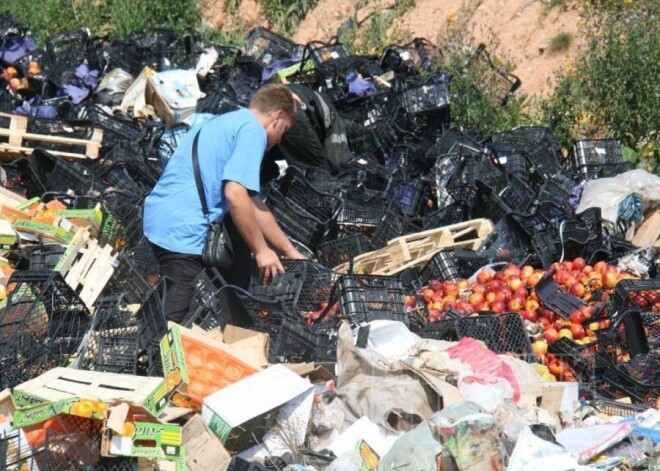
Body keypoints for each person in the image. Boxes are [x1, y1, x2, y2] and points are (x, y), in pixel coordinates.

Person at [143, 84, 305, 323]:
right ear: (277, 116)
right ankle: (138, 354)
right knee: (171, 325)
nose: (280, 139)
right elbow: (235, 195)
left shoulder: (229, 121)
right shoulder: (253, 132)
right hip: (183, 232)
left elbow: (252, 202)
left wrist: (289, 251)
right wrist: (261, 252)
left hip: (161, 217)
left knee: (174, 304)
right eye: (285, 129)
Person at [260, 83, 353, 183]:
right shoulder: (336, 125)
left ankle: (259, 190)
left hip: (276, 99)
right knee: (318, 172)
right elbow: (337, 160)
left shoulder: (318, 100)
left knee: (269, 161)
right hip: (293, 109)